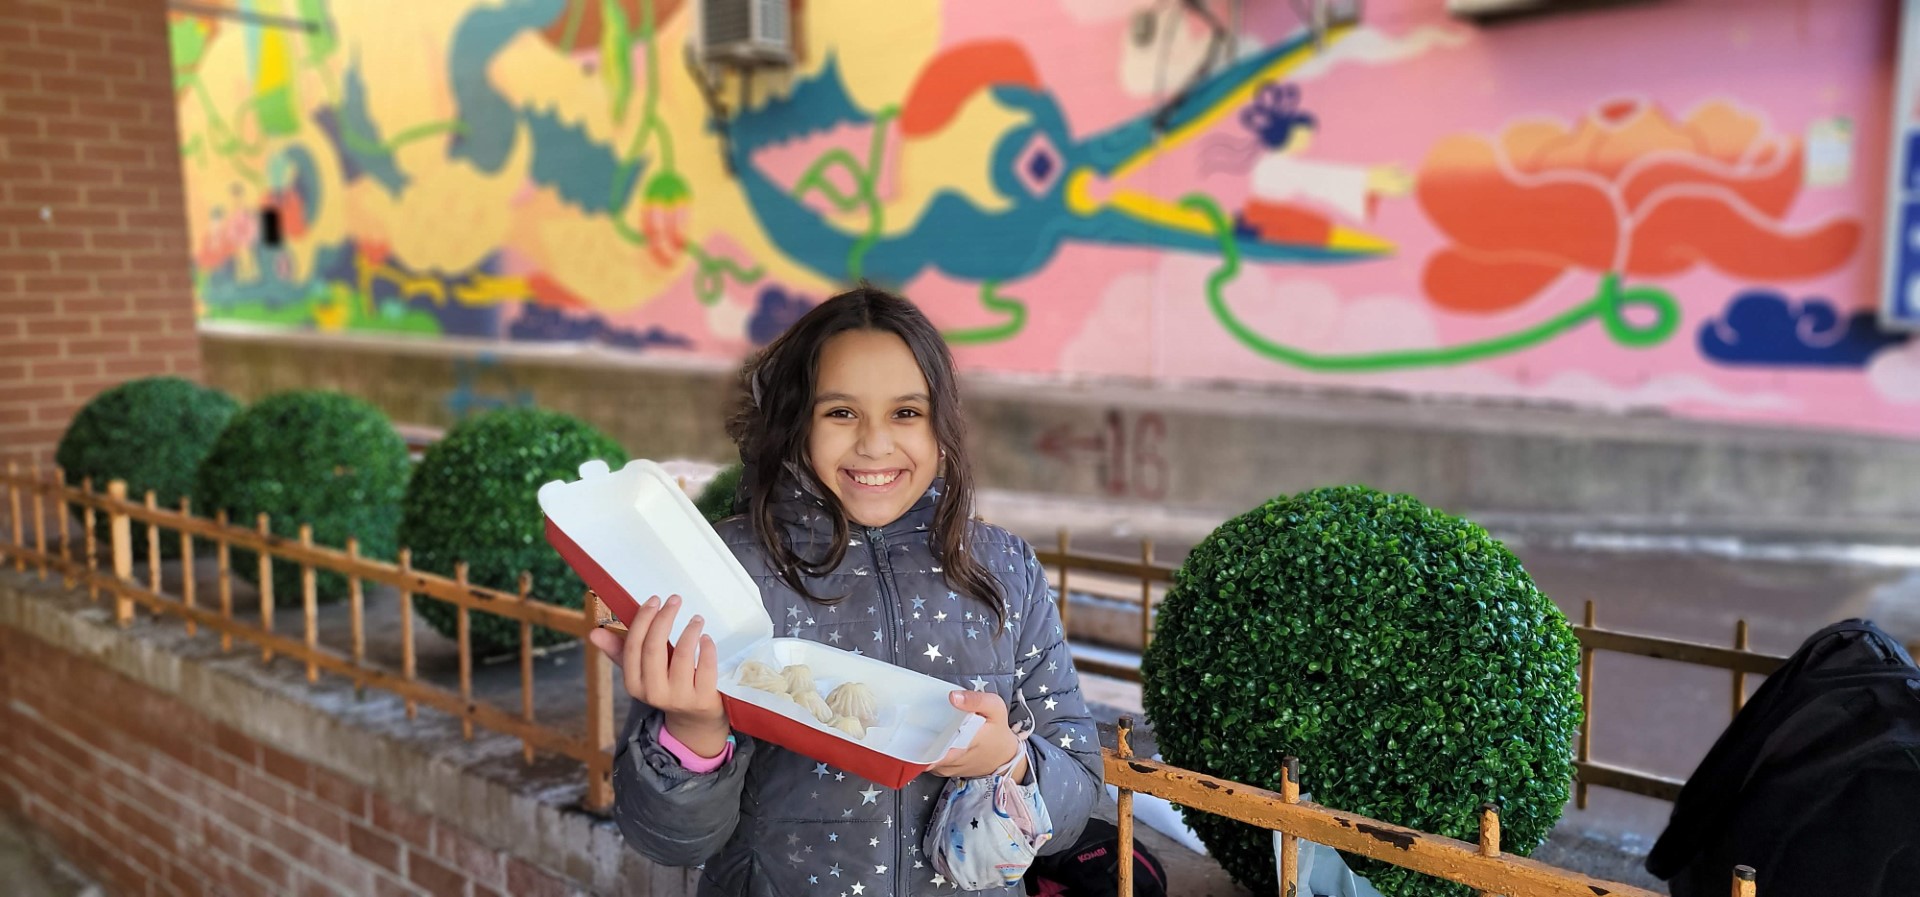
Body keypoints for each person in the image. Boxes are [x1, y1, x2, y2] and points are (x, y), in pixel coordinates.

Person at [587, 285, 1104, 896]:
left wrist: (1006, 764)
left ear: (942, 425)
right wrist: (692, 729)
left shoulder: (1002, 570)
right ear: (794, 421)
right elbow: (666, 838)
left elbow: (1080, 792)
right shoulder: (725, 574)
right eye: (841, 413)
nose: (875, 444)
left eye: (906, 413)